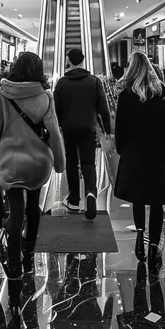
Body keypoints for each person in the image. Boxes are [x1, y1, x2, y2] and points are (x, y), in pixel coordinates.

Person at [0, 52, 65, 307]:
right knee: (34, 206)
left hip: (11, 162)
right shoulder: (45, 95)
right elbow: (53, 131)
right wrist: (60, 162)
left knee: (15, 213)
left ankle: (16, 265)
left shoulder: (4, 94)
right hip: (38, 163)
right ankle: (30, 254)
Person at [114, 51, 165, 266]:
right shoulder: (164, 93)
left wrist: (121, 149)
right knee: (156, 201)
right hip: (159, 153)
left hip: (134, 152)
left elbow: (120, 127)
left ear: (131, 69)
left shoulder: (126, 94)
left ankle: (139, 235)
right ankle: (154, 246)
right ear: (150, 68)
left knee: (138, 197)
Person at [54, 46, 111, 219]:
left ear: (69, 61)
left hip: (69, 130)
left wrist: (56, 130)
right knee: (88, 163)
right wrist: (108, 130)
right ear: (83, 60)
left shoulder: (62, 83)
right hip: (88, 128)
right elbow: (104, 108)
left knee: (71, 163)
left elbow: (56, 110)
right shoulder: (94, 81)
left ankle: (73, 200)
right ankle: (91, 193)